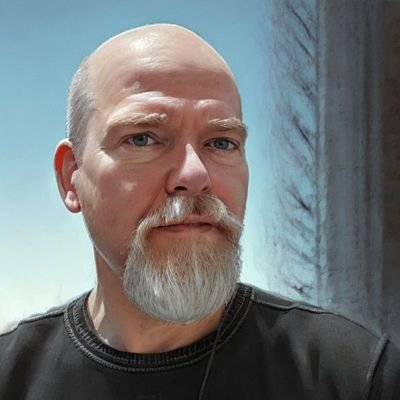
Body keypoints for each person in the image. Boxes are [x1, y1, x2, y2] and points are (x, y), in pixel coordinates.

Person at [0, 23, 399, 400]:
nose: (194, 175)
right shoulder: (11, 377)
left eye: (221, 142)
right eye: (143, 138)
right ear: (71, 177)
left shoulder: (352, 377)